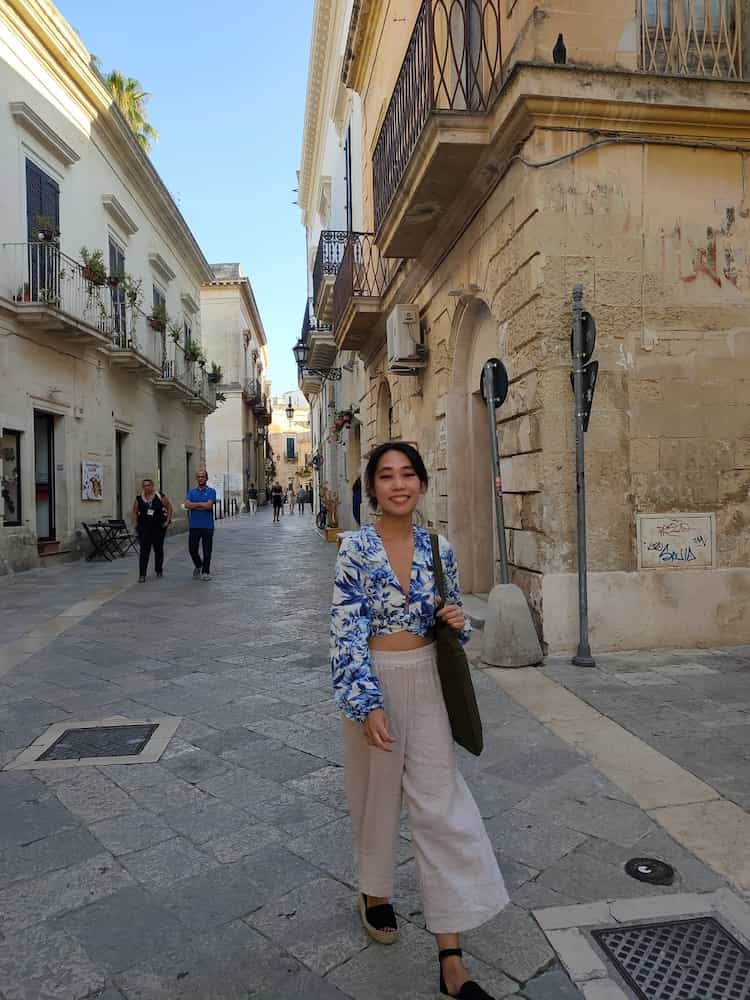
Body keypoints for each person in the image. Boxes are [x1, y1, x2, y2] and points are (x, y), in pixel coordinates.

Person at [330, 442, 508, 1000]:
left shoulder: (439, 548)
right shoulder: (356, 548)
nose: (398, 484)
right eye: (386, 476)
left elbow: (456, 621)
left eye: (408, 474)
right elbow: (345, 628)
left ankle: (450, 955)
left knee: (440, 805)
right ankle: (375, 892)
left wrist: (456, 620)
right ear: (373, 487)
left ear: (423, 484)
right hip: (376, 680)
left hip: (429, 679)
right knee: (374, 797)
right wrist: (366, 703)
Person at [132, 478, 172, 582]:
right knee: (144, 552)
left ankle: (158, 569)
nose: (147, 487)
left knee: (158, 550)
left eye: (148, 485)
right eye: (144, 486)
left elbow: (169, 507)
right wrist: (135, 525)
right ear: (143, 487)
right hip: (144, 529)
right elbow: (134, 511)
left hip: (158, 529)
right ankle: (142, 575)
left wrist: (167, 521)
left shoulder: (160, 496)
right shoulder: (139, 499)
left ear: (152, 486)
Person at [184, 469, 216, 580]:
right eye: (198, 477)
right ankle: (198, 564)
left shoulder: (212, 491)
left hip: (207, 526)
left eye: (202, 476)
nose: (200, 478)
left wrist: (195, 505)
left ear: (206, 478)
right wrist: (202, 504)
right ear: (196, 479)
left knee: (207, 550)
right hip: (194, 525)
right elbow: (187, 505)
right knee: (192, 549)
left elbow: (209, 506)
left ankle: (206, 572)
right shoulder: (192, 492)